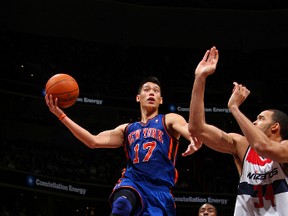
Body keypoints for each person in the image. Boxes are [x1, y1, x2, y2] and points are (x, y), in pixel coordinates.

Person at [45, 76, 201, 216]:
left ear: (161, 99)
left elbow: (188, 129)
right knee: (121, 204)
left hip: (159, 191)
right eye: (147, 90)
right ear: (138, 98)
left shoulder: (170, 119)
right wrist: (61, 116)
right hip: (133, 182)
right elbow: (93, 141)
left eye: (156, 91)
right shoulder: (126, 129)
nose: (152, 93)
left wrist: (193, 138)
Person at [188, 46, 288, 215]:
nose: (255, 121)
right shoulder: (242, 145)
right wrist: (200, 78)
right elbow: (197, 129)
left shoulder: (285, 148)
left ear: (275, 126)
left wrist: (234, 108)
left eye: (261, 118)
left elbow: (264, 147)